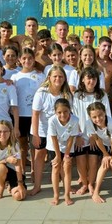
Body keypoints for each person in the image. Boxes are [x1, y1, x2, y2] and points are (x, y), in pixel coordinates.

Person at [31, 66, 71, 195]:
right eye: (55, 76)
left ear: (64, 78)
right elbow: (35, 114)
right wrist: (36, 134)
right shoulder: (41, 93)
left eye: (60, 76)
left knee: (60, 158)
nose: (57, 79)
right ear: (49, 78)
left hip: (60, 132)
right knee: (40, 156)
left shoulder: (67, 94)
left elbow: (70, 114)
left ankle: (65, 187)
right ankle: (37, 185)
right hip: (43, 131)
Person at [72, 67, 111, 196]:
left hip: (96, 136)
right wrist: (77, 135)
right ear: (83, 79)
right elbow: (74, 116)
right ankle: (84, 184)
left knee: (94, 161)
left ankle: (91, 184)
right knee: (81, 161)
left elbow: (107, 116)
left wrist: (97, 135)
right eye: (88, 78)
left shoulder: (102, 95)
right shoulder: (77, 95)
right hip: (80, 134)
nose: (91, 81)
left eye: (94, 78)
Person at [11, 48, 46, 180]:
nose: (27, 61)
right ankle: (22, 171)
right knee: (22, 144)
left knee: (34, 144)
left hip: (35, 115)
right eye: (24, 58)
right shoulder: (14, 77)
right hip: (20, 116)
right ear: (19, 60)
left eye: (30, 58)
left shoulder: (40, 76)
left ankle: (34, 170)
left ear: (34, 59)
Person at [86, 102, 112, 203]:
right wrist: (105, 155)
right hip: (103, 145)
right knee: (104, 164)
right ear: (90, 117)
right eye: (94, 117)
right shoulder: (88, 123)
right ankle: (96, 192)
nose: (98, 119)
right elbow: (97, 139)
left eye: (100, 115)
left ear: (105, 113)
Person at [47, 98, 80, 205]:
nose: (63, 115)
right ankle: (56, 195)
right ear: (55, 112)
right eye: (59, 112)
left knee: (67, 167)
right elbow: (54, 138)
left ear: (70, 110)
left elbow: (71, 138)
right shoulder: (52, 120)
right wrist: (58, 156)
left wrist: (66, 155)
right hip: (54, 146)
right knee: (56, 168)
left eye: (65, 111)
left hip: (67, 146)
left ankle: (67, 194)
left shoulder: (75, 120)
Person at [0, 120, 25, 200]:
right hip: (0, 171)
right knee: (0, 168)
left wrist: (20, 184)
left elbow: (18, 165)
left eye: (5, 131)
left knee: (19, 196)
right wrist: (6, 160)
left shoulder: (15, 145)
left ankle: (11, 185)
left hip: (14, 173)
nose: (2, 134)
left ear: (10, 132)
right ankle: (1, 185)